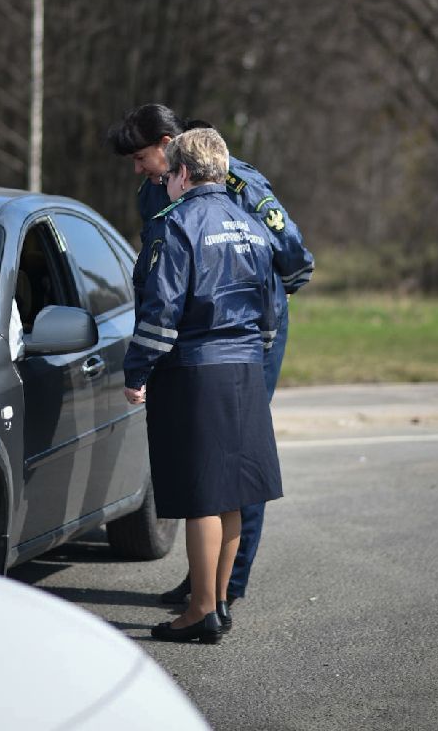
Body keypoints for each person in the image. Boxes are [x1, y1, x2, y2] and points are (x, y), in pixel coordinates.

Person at [108, 103, 314, 604]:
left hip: (242, 333)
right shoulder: (153, 192)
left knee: (236, 457)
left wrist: (254, 308)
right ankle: (206, 583)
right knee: (202, 455)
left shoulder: (236, 182)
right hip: (189, 334)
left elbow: (294, 261)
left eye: (141, 157)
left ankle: (228, 585)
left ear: (168, 145)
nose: (137, 169)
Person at [123, 128, 282, 643]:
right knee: (233, 494)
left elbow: (161, 309)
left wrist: (137, 371)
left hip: (195, 370)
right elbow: (272, 305)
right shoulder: (253, 224)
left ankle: (199, 611)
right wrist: (256, 349)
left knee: (202, 499)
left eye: (166, 175)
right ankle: (218, 604)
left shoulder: (176, 225)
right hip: (245, 369)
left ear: (184, 174)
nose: (163, 183)